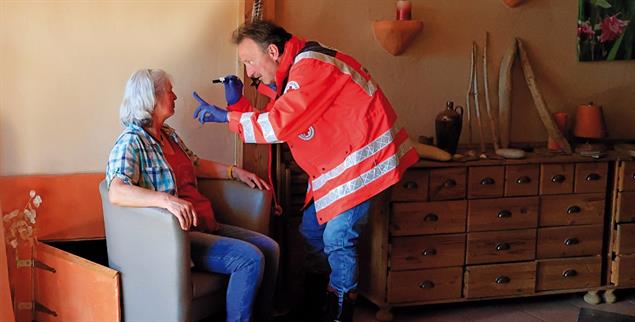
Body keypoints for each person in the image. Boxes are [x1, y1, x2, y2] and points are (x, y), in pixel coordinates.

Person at [191, 21, 422, 322]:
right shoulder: (293, 75)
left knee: (338, 238)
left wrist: (227, 117)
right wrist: (236, 104)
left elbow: (278, 125)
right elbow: (276, 117)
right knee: (311, 231)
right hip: (338, 167)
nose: (249, 72)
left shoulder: (311, 67)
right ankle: (315, 303)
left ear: (272, 51)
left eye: (249, 61)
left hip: (363, 162)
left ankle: (339, 313)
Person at [106, 68, 279, 322]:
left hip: (205, 222)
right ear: (151, 98)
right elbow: (117, 190)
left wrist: (235, 172)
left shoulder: (169, 134)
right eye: (169, 91)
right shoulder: (131, 142)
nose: (175, 96)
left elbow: (195, 163)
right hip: (181, 237)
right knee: (249, 259)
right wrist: (166, 200)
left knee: (270, 248)